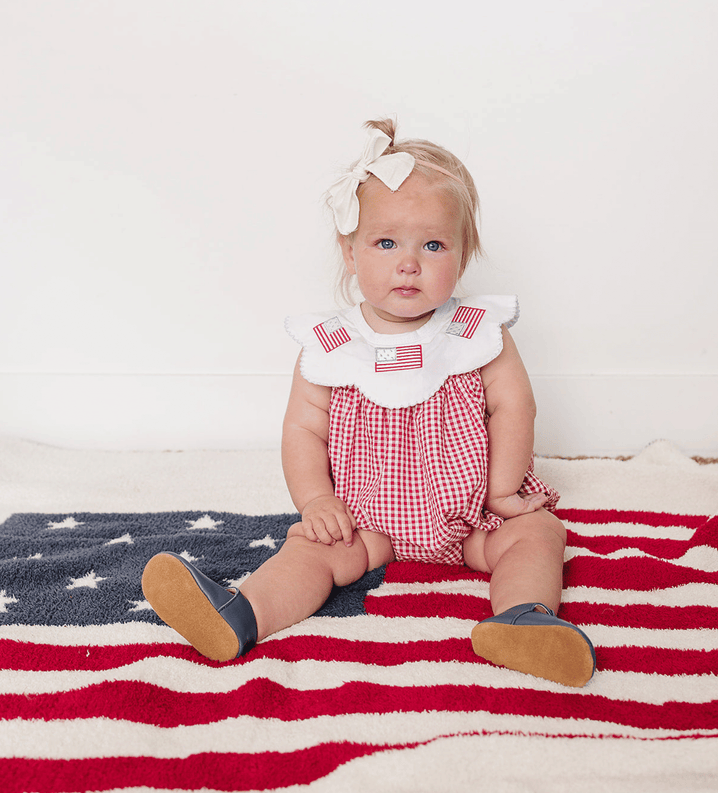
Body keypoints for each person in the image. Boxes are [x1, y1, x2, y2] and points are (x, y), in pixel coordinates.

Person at [142, 119, 596, 687]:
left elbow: (514, 407)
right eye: (386, 243)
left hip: (474, 514)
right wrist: (316, 501)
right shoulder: (332, 345)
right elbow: (304, 429)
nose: (410, 262)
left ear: (464, 252)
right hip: (366, 520)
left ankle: (524, 619)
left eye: (433, 245)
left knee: (539, 535)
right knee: (312, 550)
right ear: (350, 252)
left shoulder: (478, 332)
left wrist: (503, 490)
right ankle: (241, 613)